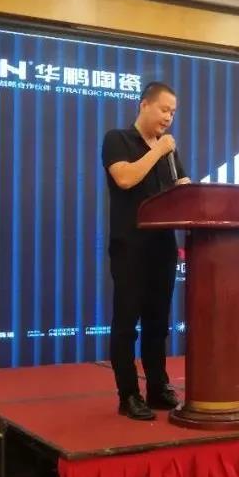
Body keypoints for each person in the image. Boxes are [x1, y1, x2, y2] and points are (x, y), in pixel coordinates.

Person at [101, 81, 191, 420]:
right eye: (164, 109)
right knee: (127, 323)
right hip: (130, 247)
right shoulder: (118, 139)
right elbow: (125, 178)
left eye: (173, 113)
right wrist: (158, 149)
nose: (169, 117)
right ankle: (128, 395)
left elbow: (182, 191)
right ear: (144, 105)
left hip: (162, 247)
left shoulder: (170, 153)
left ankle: (157, 387)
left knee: (158, 323)